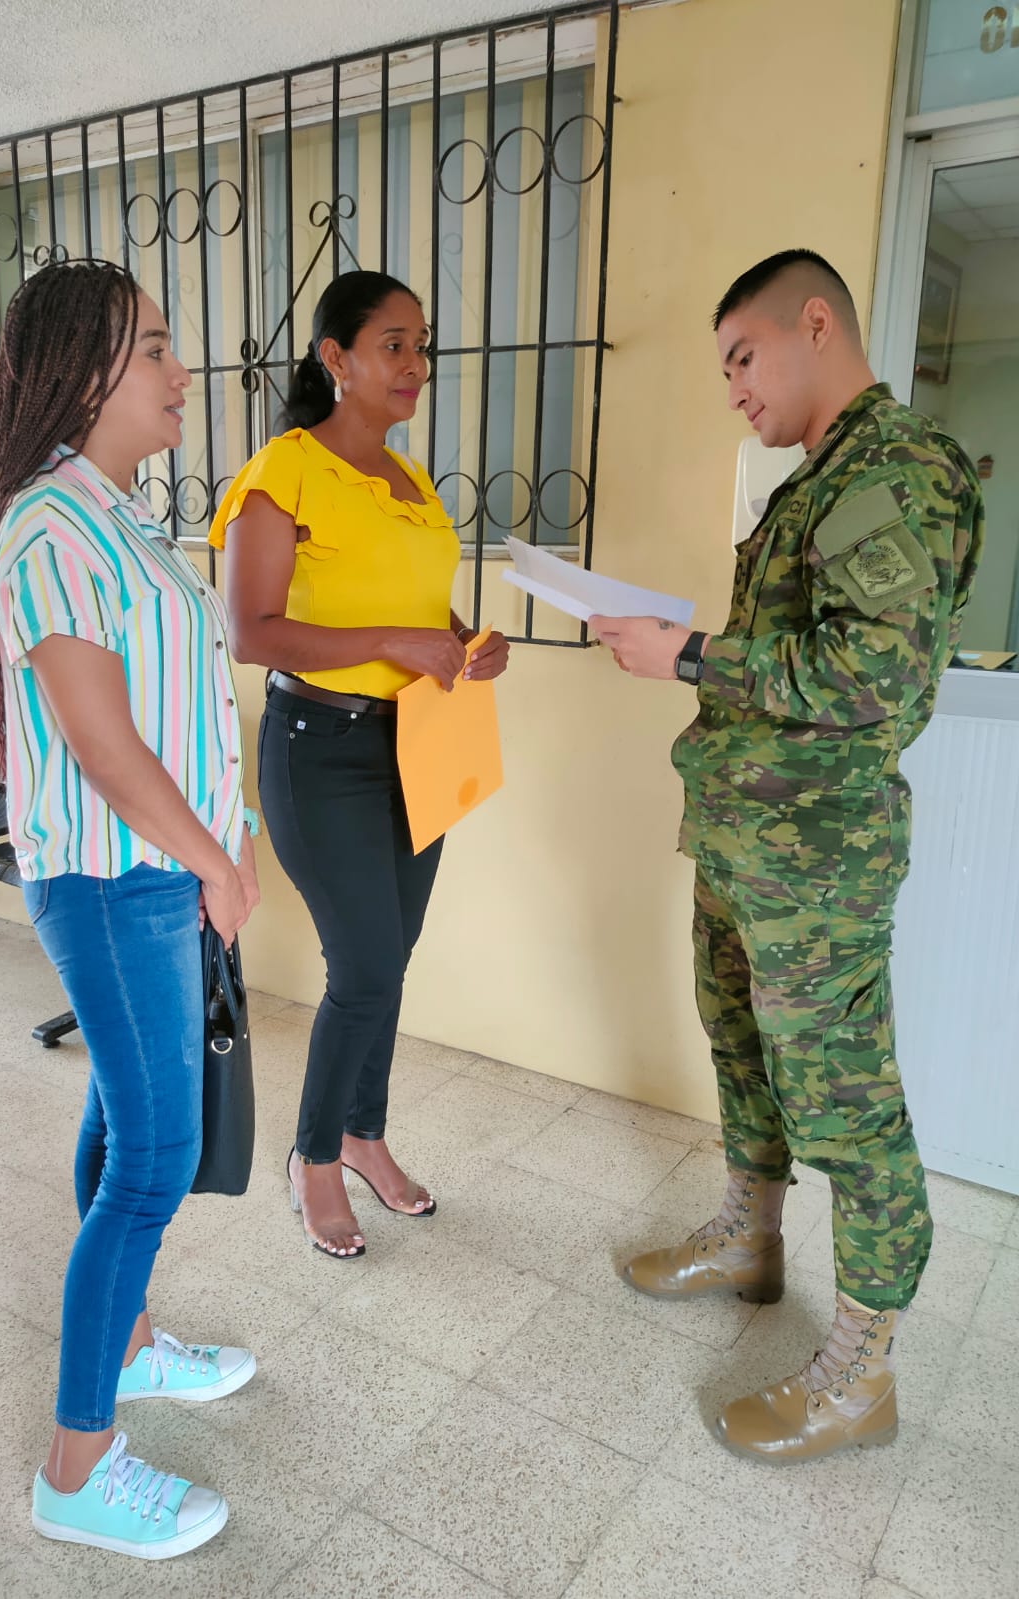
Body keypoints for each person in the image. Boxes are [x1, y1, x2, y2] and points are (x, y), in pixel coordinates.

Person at [590, 249, 983, 1464]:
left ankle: (860, 1371)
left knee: (848, 1108)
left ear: (817, 324)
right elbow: (802, 660)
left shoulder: (894, 468)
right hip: (749, 842)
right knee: (743, 1049)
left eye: (742, 359)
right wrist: (689, 652)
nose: (734, 391)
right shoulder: (819, 477)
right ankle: (750, 1239)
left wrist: (687, 654)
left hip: (819, 864)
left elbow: (875, 678)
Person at [0, 259, 261, 1558]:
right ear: (83, 373)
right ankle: (75, 1469)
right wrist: (216, 863)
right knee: (152, 1158)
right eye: (152, 347)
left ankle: (129, 1347)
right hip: (110, 873)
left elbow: (182, 710)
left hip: (157, 868)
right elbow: (101, 742)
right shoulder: (48, 526)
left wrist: (221, 842)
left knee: (123, 1117)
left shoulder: (119, 517)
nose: (181, 370)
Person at [210, 269, 509, 1259]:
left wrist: (465, 643)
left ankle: (364, 1133)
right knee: (367, 966)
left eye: (423, 344)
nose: (416, 363)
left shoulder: (411, 482)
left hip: (417, 741)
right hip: (321, 749)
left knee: (391, 958)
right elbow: (252, 631)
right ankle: (314, 1158)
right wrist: (394, 641)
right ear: (335, 358)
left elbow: (420, 611)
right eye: (394, 344)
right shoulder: (284, 471)